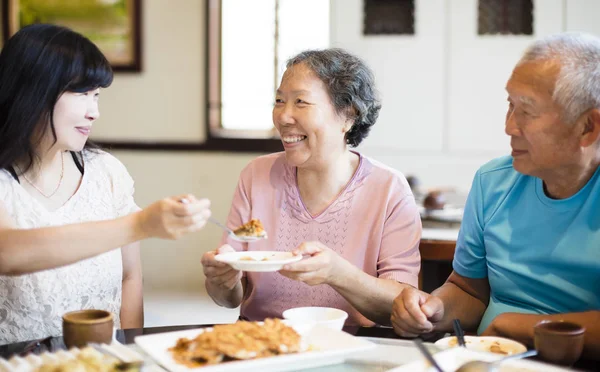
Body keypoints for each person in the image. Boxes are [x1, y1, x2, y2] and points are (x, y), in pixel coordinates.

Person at [391, 32, 600, 359]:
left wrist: (516, 326)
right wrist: (435, 309)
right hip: (488, 359)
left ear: (588, 127)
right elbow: (468, 291)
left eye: (527, 112)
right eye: (510, 105)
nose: (509, 127)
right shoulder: (492, 182)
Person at [0, 24, 211, 344]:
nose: (94, 112)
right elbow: (9, 252)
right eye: (82, 94)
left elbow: (130, 277)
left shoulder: (107, 173)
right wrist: (141, 224)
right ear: (34, 90)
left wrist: (133, 353)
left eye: (96, 95)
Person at [201, 48, 421, 326]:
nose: (283, 116)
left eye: (301, 102)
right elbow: (229, 298)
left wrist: (338, 273)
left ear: (348, 116)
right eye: (279, 101)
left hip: (349, 343)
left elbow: (402, 304)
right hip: (263, 341)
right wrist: (221, 280)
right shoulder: (256, 175)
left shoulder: (389, 189)